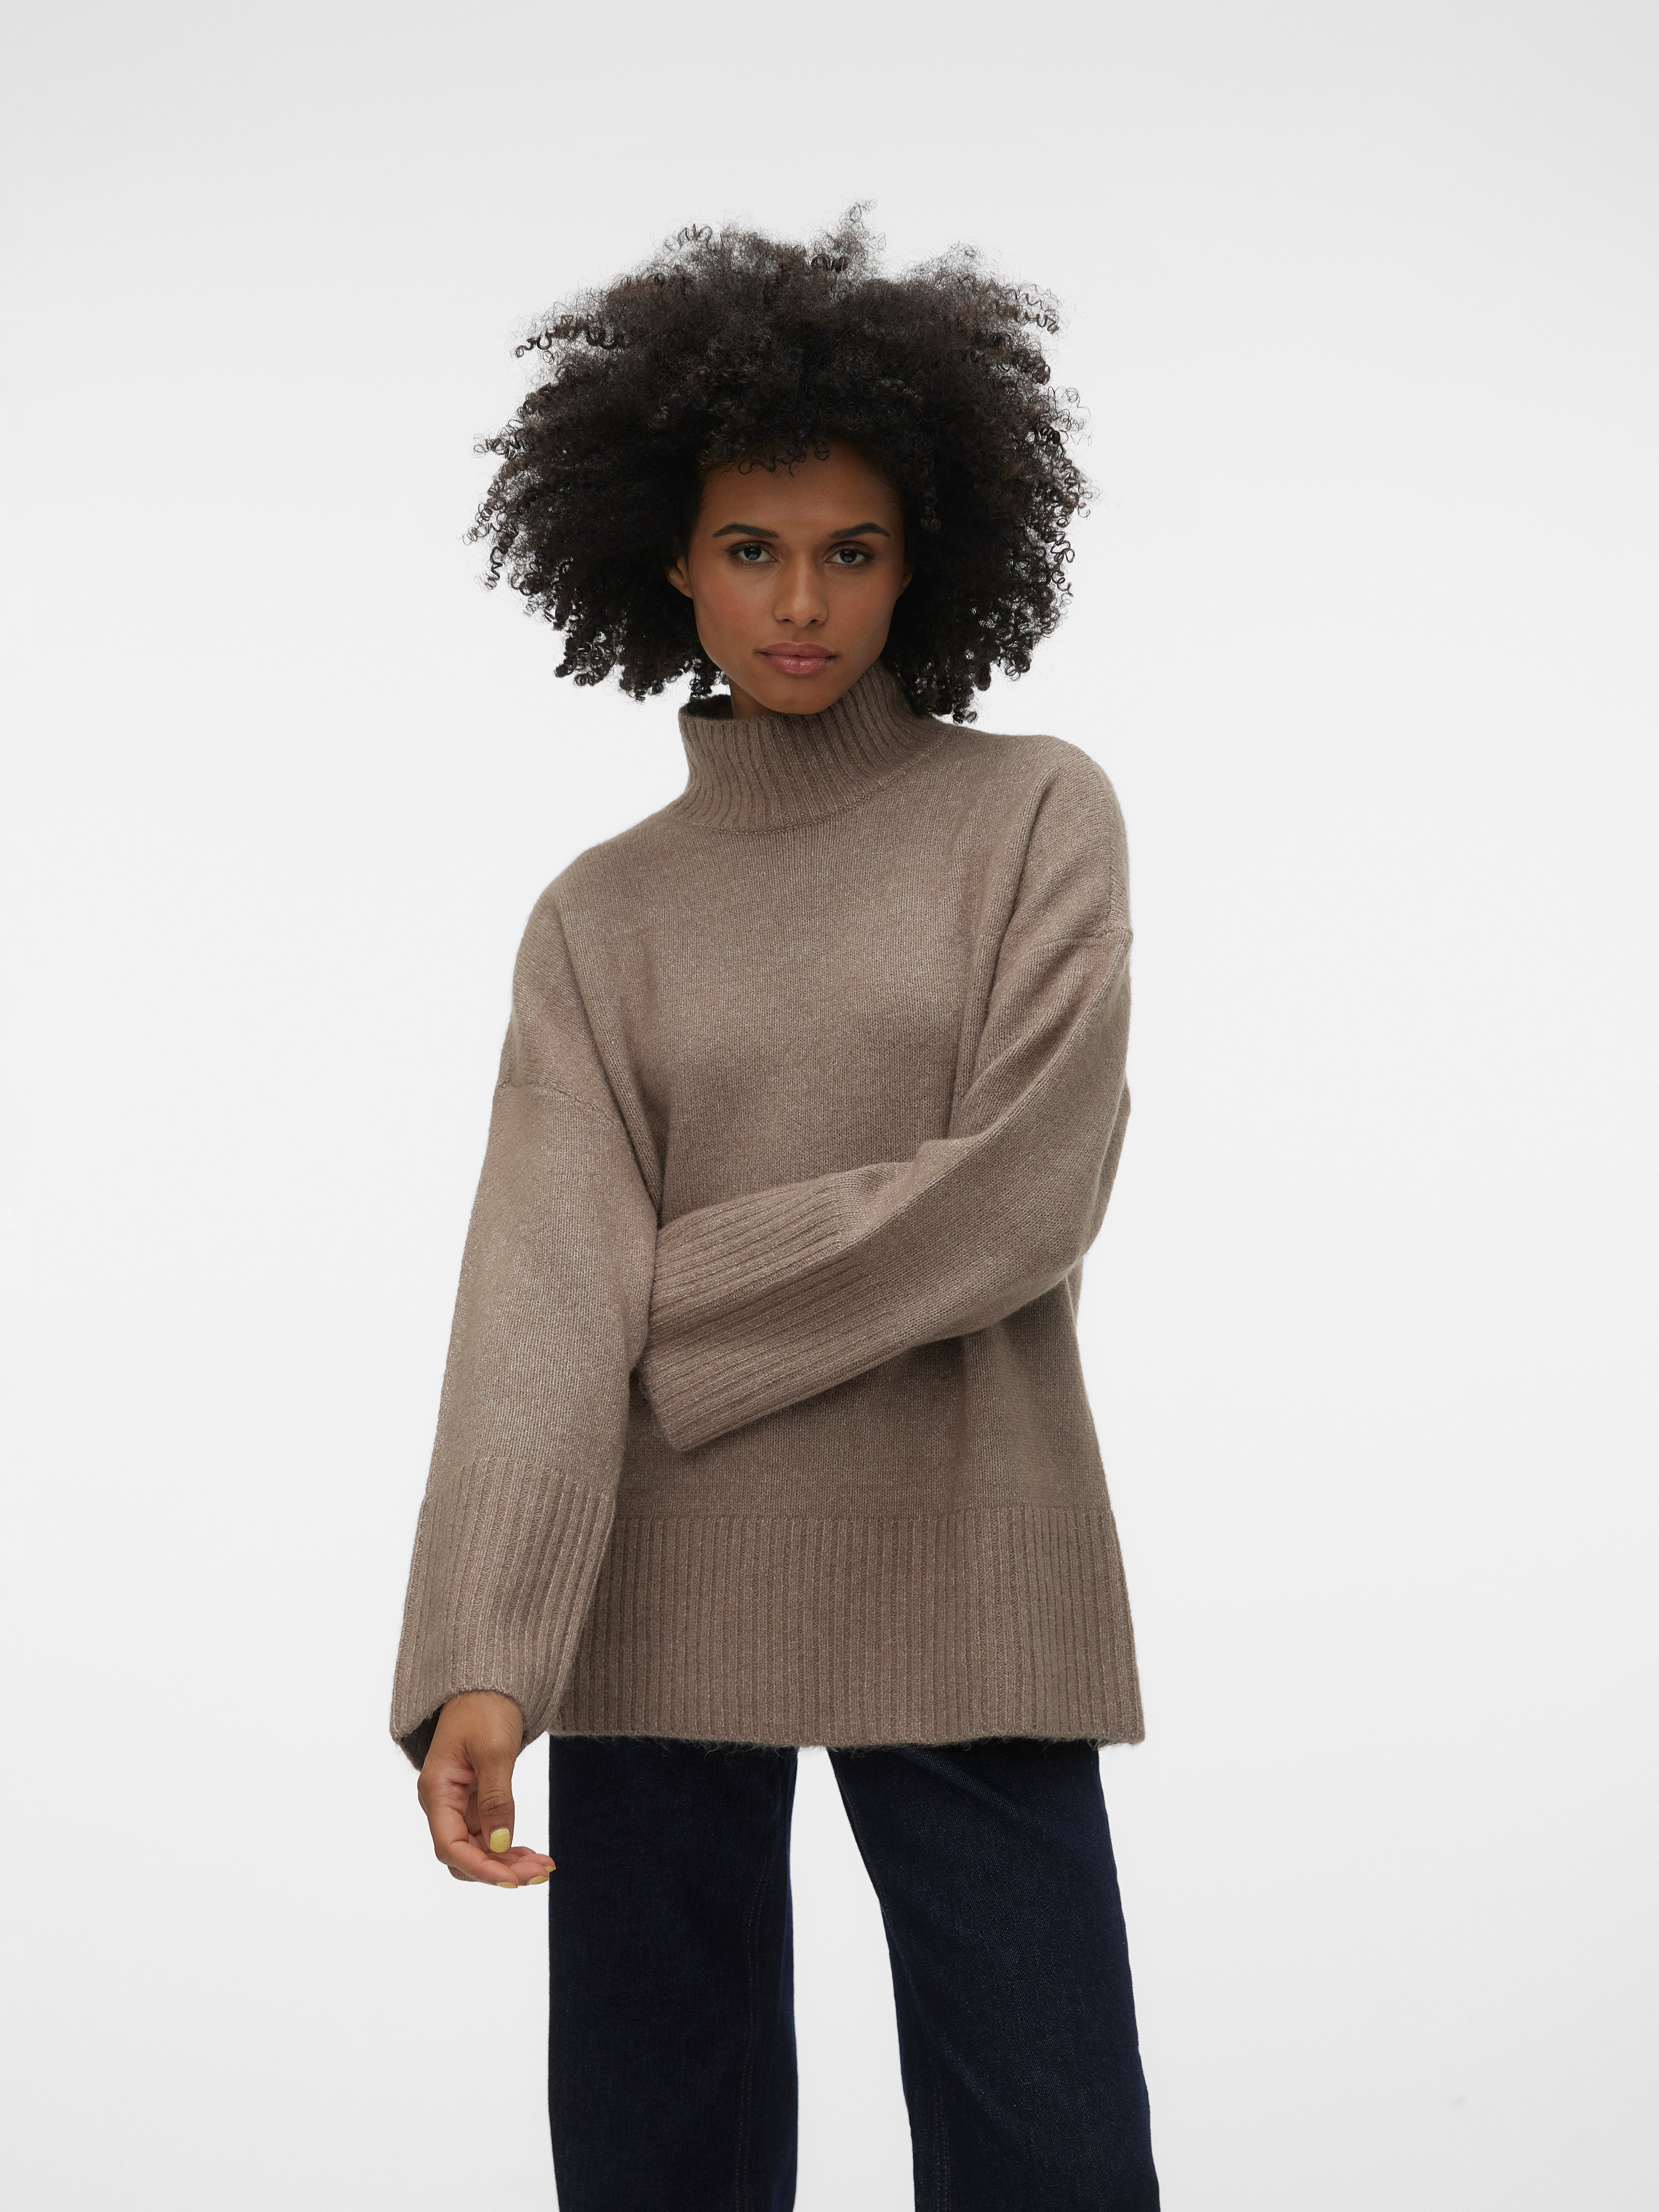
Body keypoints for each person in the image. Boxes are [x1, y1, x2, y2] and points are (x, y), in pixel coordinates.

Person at [390, 210, 1160, 2211]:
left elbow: (1027, 1187)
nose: (801, 602)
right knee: (656, 2165)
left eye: (852, 550)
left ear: (928, 558)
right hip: (650, 1595)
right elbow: (537, 1294)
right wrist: (481, 1649)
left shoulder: (1032, 814)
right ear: (670, 555)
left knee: (1057, 2156)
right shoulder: (603, 917)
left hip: (968, 1563)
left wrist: (664, 1302)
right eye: (751, 548)